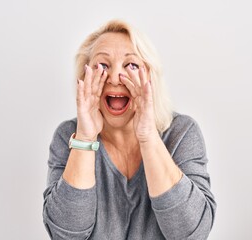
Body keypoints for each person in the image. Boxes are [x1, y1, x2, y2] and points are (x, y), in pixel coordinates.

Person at [43, 19, 216, 240]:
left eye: (131, 65)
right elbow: (65, 234)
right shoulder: (68, 136)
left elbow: (191, 233)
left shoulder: (182, 133)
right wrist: (85, 138)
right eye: (102, 66)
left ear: (150, 78)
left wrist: (148, 137)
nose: (114, 77)